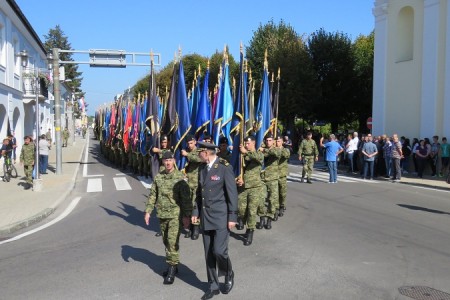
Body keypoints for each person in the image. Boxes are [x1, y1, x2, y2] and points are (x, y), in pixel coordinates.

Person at [192, 141, 238, 299]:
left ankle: (228, 273)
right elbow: (200, 193)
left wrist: (232, 216)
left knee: (219, 251)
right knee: (208, 254)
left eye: (200, 151)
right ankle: (213, 285)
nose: (198, 153)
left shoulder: (224, 167)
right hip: (206, 217)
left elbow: (232, 194)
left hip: (220, 217)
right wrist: (195, 211)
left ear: (207, 152)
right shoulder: (202, 168)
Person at [144, 151, 191, 285]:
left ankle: (171, 268)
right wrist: (148, 211)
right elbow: (153, 194)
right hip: (162, 215)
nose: (168, 163)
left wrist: (187, 216)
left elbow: (186, 199)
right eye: (166, 160)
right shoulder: (159, 177)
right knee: (166, 241)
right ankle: (173, 265)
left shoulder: (180, 177)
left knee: (172, 242)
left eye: (170, 160)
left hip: (175, 215)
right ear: (163, 162)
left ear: (174, 161)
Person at [236, 135, 265, 246]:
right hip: (243, 187)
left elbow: (258, 158)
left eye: (248, 143)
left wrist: (245, 152)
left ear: (253, 143)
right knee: (242, 209)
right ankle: (243, 222)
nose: (246, 145)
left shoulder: (258, 154)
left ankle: (250, 231)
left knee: (252, 211)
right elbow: (238, 168)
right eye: (245, 143)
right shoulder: (242, 155)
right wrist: (238, 178)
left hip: (255, 187)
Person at [181, 134, 204, 240]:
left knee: (195, 206)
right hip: (187, 182)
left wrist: (187, 155)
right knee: (188, 205)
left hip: (196, 183)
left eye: (191, 143)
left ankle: (196, 228)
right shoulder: (185, 151)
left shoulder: (199, 151)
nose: (189, 145)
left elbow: (199, 159)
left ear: (195, 142)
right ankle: (189, 227)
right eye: (188, 143)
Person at [257, 133, 281, 229]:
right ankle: (262, 218)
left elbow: (276, 154)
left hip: (273, 179)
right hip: (262, 178)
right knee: (261, 199)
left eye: (270, 140)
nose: (268, 142)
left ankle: (269, 219)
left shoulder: (276, 149)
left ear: (273, 141)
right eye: (266, 140)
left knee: (272, 200)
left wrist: (264, 150)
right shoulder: (261, 149)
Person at [276, 135, 291, 215]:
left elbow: (286, 155)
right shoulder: (272, 149)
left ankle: (282, 205)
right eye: (276, 141)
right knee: (274, 193)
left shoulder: (285, 150)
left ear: (282, 142)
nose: (277, 143)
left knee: (282, 192)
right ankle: (277, 206)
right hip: (273, 175)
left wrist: (276, 150)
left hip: (282, 175)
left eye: (278, 141)